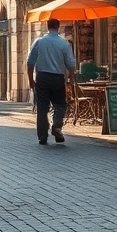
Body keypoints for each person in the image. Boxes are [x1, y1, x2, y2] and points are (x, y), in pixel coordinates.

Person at [26, 18, 76, 146]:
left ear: (47, 27)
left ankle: (42, 136)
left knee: (42, 107)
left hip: (42, 78)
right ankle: (57, 126)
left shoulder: (39, 42)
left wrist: (31, 81)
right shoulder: (64, 44)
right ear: (58, 27)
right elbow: (71, 64)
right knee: (60, 105)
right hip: (58, 78)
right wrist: (72, 75)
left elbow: (30, 62)